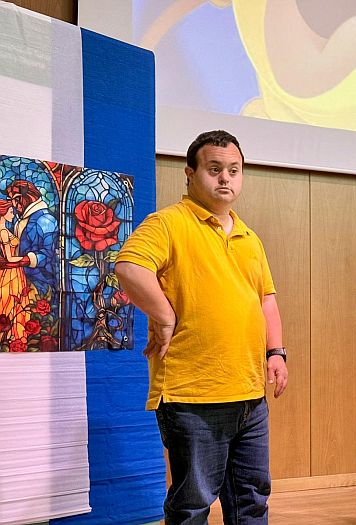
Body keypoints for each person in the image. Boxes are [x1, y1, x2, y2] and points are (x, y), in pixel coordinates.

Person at [115, 130, 288, 524]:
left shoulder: (249, 237)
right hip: (193, 396)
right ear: (190, 174)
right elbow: (129, 267)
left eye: (233, 170)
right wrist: (164, 316)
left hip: (250, 394)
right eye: (214, 169)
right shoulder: (168, 223)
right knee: (192, 505)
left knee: (252, 499)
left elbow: (266, 299)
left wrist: (276, 352)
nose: (225, 178)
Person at [0, 180, 59, 296]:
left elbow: (48, 254)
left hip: (40, 281)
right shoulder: (19, 219)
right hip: (17, 277)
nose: (14, 204)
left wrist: (19, 262)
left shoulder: (46, 219)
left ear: (29, 196)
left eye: (16, 199)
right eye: (11, 200)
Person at [0, 199, 36, 342]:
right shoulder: (3, 232)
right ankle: (11, 337)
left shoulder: (5, 230)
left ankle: (12, 338)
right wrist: (27, 259)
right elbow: (9, 258)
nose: (13, 215)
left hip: (15, 272)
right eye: (10, 212)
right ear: (2, 213)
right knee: (11, 303)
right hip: (11, 274)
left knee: (15, 304)